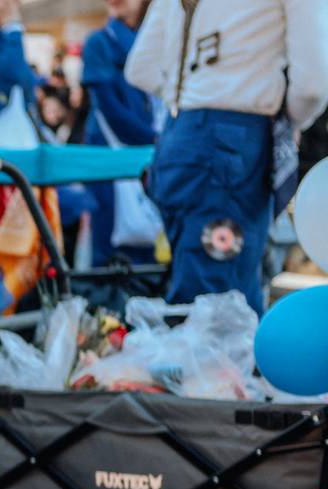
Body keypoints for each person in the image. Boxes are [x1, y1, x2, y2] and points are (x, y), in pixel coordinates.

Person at [125, 0, 328, 314]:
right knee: (223, 306)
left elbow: (140, 68)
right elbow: (312, 86)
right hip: (235, 138)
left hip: (179, 135)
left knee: (201, 290)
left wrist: (194, 95)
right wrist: (289, 121)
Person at [81, 0, 158, 268]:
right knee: (109, 244)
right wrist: (155, 139)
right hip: (110, 155)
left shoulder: (155, 38)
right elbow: (109, 108)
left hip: (145, 153)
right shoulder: (99, 41)